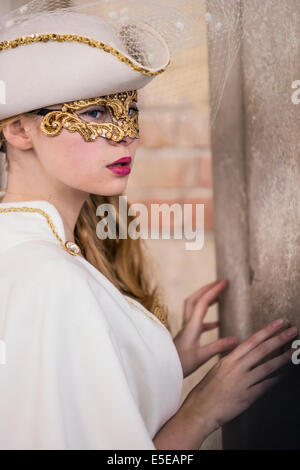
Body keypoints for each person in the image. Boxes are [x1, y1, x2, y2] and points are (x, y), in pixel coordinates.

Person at [0, 0, 298, 451]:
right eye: (97, 113)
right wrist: (203, 411)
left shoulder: (29, 251)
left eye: (130, 111)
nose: (125, 134)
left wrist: (158, 361)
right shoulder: (48, 275)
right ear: (19, 131)